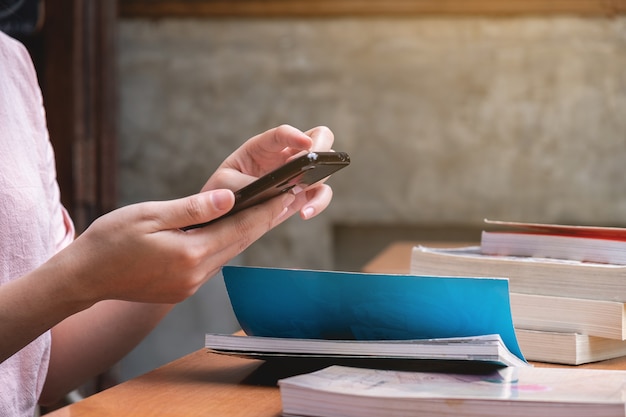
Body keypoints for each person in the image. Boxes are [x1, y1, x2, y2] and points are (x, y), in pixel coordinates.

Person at [0, 30, 336, 416]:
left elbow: (41, 368)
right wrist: (74, 279)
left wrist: (204, 228)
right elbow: (60, 293)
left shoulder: (12, 63)